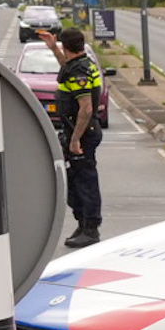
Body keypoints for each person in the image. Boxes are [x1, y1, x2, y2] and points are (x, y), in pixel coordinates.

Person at [39, 27, 105, 247]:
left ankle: (90, 229)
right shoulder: (80, 65)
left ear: (67, 47)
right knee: (76, 181)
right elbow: (67, 66)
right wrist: (53, 47)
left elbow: (85, 109)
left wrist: (76, 139)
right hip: (79, 133)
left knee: (85, 182)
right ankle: (83, 222)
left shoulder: (79, 73)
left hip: (83, 135)